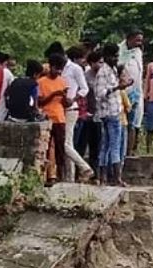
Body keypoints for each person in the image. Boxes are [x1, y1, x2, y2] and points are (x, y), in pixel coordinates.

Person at [94, 44, 131, 186]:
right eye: (114, 56)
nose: (116, 59)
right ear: (107, 56)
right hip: (109, 112)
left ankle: (103, 178)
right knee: (114, 145)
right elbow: (99, 94)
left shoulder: (113, 70)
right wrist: (117, 88)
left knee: (107, 145)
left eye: (117, 56)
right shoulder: (103, 72)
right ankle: (117, 178)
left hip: (115, 110)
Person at [38, 53, 71, 185]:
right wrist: (54, 94)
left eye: (60, 69)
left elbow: (64, 103)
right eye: (56, 68)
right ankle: (47, 175)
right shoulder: (41, 82)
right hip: (47, 117)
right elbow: (40, 102)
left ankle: (60, 175)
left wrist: (66, 100)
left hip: (60, 118)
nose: (58, 71)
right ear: (50, 66)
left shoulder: (62, 82)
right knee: (46, 149)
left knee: (60, 148)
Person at [63, 46, 93, 182]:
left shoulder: (75, 69)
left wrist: (73, 98)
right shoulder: (59, 68)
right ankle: (69, 177)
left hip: (71, 108)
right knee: (68, 143)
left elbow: (84, 89)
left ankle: (84, 167)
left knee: (65, 144)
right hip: (60, 109)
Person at [77, 51, 103, 180]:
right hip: (87, 114)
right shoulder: (86, 77)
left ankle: (95, 175)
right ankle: (81, 172)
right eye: (99, 62)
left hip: (99, 115)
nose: (101, 65)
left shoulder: (103, 76)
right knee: (82, 144)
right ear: (92, 63)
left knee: (96, 146)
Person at [118, 28, 144, 156]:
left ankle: (129, 151)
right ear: (130, 38)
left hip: (135, 93)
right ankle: (120, 151)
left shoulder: (138, 52)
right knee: (120, 123)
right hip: (121, 93)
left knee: (133, 124)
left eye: (141, 40)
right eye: (137, 40)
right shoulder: (118, 50)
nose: (139, 42)